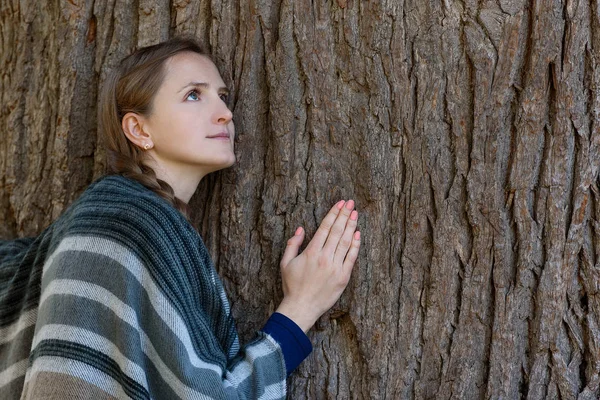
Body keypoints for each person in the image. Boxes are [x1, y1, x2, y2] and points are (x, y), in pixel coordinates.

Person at [0, 37, 361, 399]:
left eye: (222, 96)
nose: (225, 112)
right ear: (139, 130)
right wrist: (301, 307)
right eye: (193, 95)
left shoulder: (133, 222)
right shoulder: (121, 227)